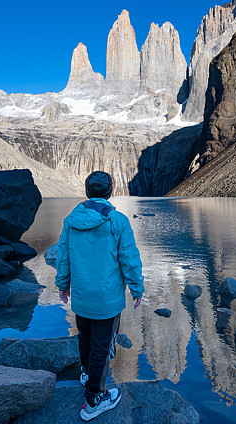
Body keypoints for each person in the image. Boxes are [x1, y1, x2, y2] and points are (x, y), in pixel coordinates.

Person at [55, 171, 145, 421]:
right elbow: (129, 260)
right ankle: (94, 399)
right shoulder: (117, 221)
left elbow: (63, 257)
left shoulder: (71, 220)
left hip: (82, 298)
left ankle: (86, 374)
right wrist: (137, 288)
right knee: (102, 348)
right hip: (106, 300)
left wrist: (63, 285)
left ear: (87, 192)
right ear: (110, 191)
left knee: (84, 337)